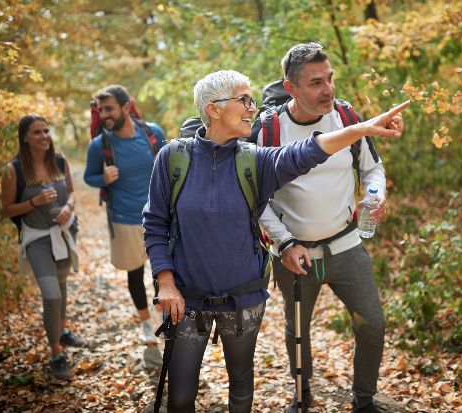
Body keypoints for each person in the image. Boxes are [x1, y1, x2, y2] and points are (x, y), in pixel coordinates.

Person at [143, 69, 408, 413]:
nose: (252, 109)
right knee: (179, 398)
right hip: (187, 298)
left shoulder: (253, 159)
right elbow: (154, 222)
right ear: (213, 109)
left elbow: (305, 152)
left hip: (244, 299)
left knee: (241, 390)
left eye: (251, 100)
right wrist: (165, 281)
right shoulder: (173, 158)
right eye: (243, 100)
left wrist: (361, 128)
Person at [249, 42, 405, 413]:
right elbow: (255, 200)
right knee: (298, 332)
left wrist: (374, 193)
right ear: (291, 88)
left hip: (346, 246)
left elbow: (372, 169)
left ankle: (364, 400)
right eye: (316, 82)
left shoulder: (348, 117)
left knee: (373, 324)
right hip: (295, 256)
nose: (328, 89)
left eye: (330, 78)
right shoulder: (269, 131)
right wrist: (285, 243)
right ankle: (301, 398)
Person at [1, 114, 83, 380]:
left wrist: (69, 207)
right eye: (37, 132)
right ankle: (56, 354)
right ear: (25, 137)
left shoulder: (59, 161)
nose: (44, 136)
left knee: (61, 286)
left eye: (46, 131)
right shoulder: (13, 170)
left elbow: (71, 192)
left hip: (64, 233)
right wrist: (35, 201)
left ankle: (61, 330)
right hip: (36, 239)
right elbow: (7, 210)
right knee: (51, 295)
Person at [83, 85, 167, 344]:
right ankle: (144, 323)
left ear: (126, 107)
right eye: (101, 110)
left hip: (160, 217)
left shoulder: (152, 133)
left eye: (109, 108)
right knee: (134, 272)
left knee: (163, 272)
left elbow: (169, 164)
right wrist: (103, 178)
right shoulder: (99, 146)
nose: (104, 115)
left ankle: (162, 318)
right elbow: (89, 176)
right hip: (124, 218)